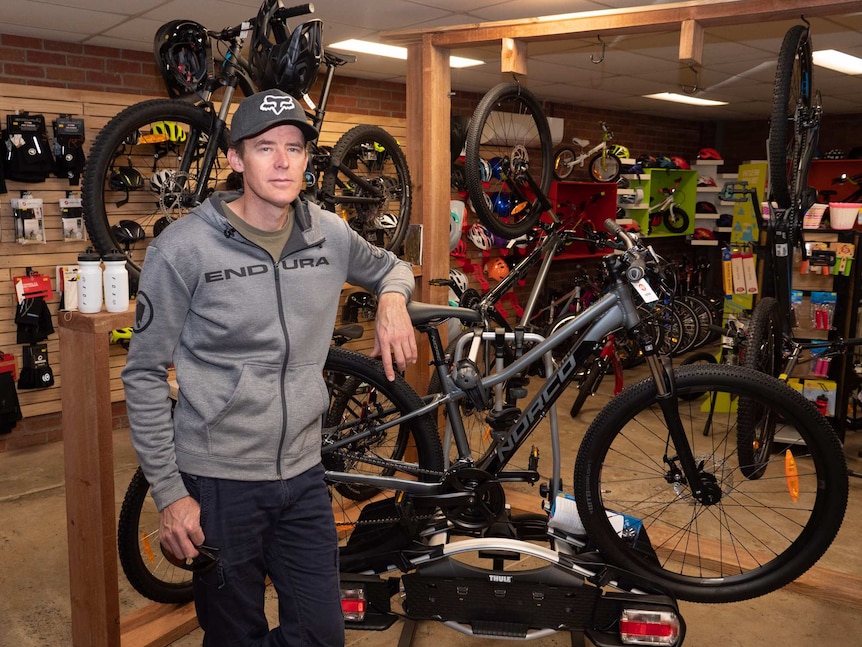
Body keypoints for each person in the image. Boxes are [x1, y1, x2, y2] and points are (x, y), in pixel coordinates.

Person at [121, 88, 417, 646]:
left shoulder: (327, 232)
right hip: (219, 480)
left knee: (322, 633)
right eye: (264, 148)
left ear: (308, 158)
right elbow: (141, 374)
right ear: (235, 159)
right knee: (235, 635)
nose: (283, 161)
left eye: (294, 148)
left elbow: (392, 266)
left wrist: (392, 299)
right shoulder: (183, 249)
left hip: (304, 473)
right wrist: (169, 493)